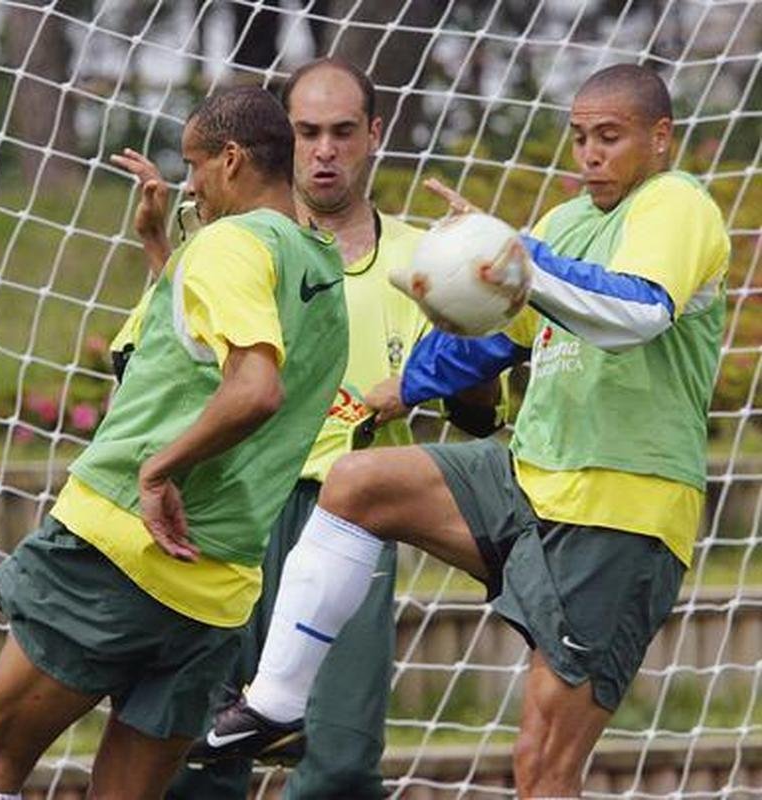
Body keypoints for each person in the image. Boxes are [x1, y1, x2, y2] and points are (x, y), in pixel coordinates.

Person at [206, 63, 731, 798]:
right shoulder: (567, 220)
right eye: (580, 138)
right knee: (357, 484)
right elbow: (503, 331)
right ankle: (279, 700)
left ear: (661, 138)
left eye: (610, 138)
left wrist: (514, 257)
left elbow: (638, 311)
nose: (590, 155)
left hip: (620, 509)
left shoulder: (678, 203)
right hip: (531, 479)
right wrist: (409, 378)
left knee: (543, 764)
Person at [0, 86, 349, 800]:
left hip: (116, 549)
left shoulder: (228, 245)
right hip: (214, 592)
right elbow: (193, 355)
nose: (190, 185)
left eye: (195, 165)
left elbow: (252, 387)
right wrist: (158, 249)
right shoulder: (318, 264)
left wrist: (156, 472)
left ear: (232, 160)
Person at [155, 59, 497, 800]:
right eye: (307, 132)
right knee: (197, 759)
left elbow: (476, 415)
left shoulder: (423, 257)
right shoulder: (238, 248)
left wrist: (482, 297)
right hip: (235, 506)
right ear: (283, 140)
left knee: (338, 765)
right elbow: (172, 372)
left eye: (343, 131)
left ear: (374, 134)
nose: (325, 150)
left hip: (348, 519)